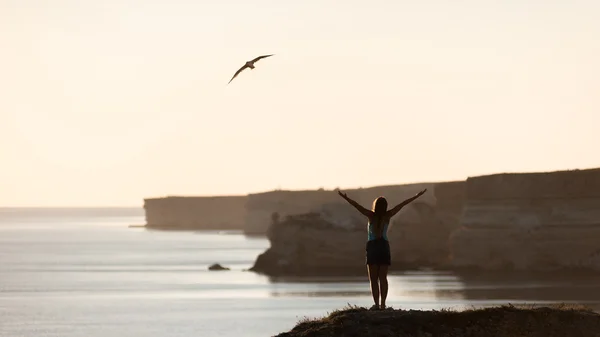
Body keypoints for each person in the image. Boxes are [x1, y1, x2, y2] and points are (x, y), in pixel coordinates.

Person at [337, 188, 428, 310]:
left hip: (373, 246)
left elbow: (356, 206)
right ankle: (383, 304)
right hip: (384, 246)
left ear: (375, 205)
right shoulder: (388, 215)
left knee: (373, 279)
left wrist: (345, 197)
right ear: (385, 206)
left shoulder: (370, 215)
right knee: (383, 278)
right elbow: (403, 204)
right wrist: (417, 195)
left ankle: (376, 304)